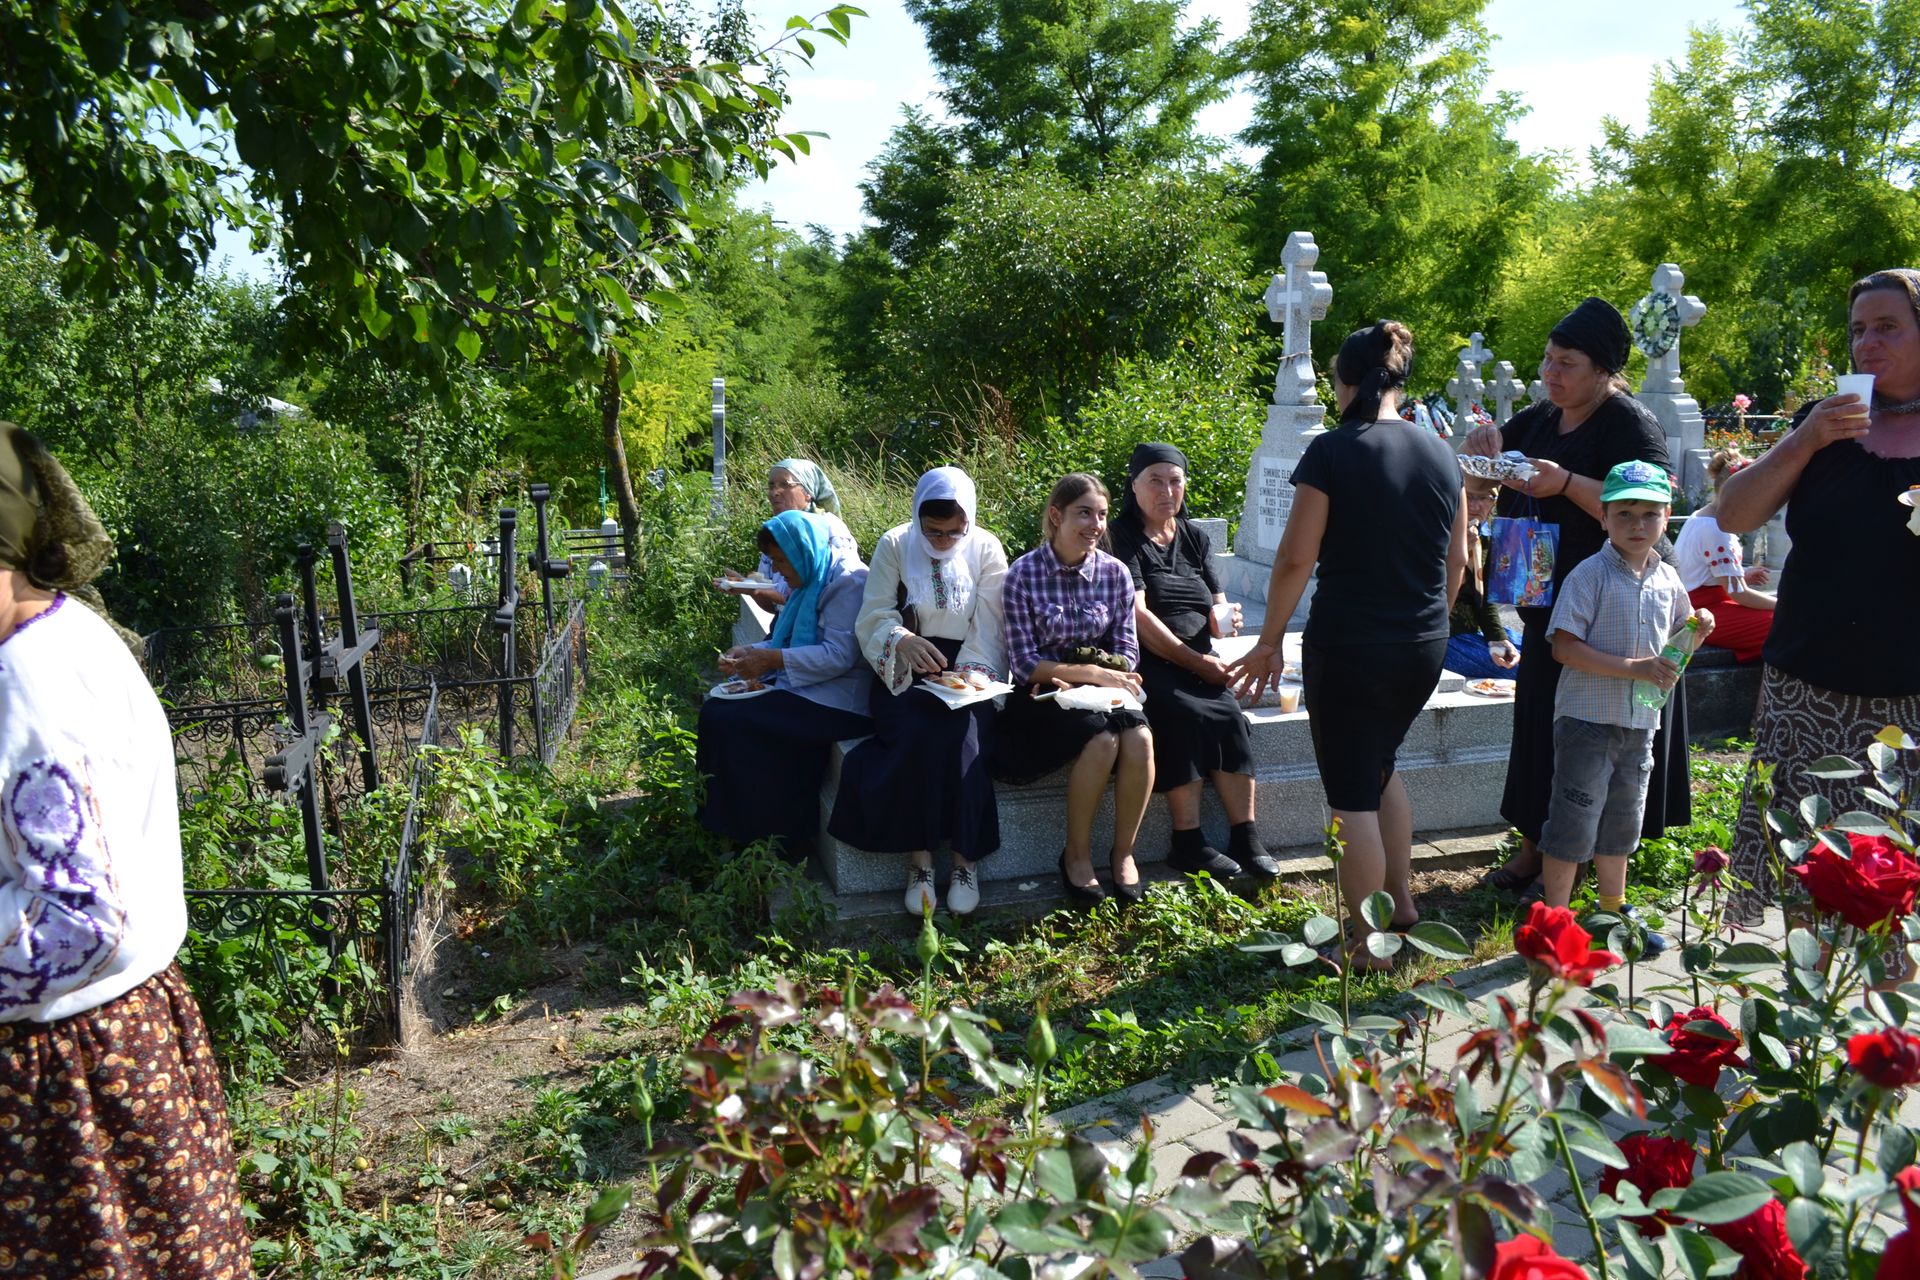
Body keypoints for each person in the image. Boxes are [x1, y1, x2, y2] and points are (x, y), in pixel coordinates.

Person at [0, 423, 252, 1277]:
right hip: (116, 1046)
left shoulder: (25, 685)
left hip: (61, 1085)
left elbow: (77, 922)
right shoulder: (68, 635)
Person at [1230, 322, 1468, 968]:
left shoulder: (1334, 452)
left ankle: (1371, 946)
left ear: (1347, 382)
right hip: (1422, 642)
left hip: (1350, 645)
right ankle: (1401, 902)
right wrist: (1429, 625)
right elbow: (1459, 562)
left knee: (1351, 796)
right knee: (1380, 767)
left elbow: (1293, 560)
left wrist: (1269, 641)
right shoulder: (1442, 453)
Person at [1463, 297, 1689, 899]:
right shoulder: (1539, 419)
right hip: (1545, 605)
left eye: (1566, 363)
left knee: (1597, 739)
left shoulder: (1629, 424)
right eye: (1547, 359)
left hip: (1616, 616)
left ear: (1603, 371)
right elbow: (1484, 477)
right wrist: (1480, 452)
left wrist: (1565, 482)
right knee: (1542, 725)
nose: (1551, 373)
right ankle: (1537, 846)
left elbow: (1655, 504)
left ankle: (1587, 856)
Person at [1716, 268, 1920, 923]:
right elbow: (1733, 514)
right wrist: (1807, 438)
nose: (1868, 343)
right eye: (1859, 329)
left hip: (1907, 706)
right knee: (1807, 870)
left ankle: (1883, 1022)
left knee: (1891, 885)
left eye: (1888, 326)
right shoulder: (1822, 424)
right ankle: (1818, 1010)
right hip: (1807, 694)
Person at [1535, 461, 1715, 951]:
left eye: (1649, 515)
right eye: (1625, 514)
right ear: (1603, 517)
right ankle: (1555, 920)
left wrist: (1695, 632)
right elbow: (1564, 648)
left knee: (1622, 818)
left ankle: (1612, 912)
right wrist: (1637, 667)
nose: (1637, 525)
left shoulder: (1669, 579)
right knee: (1574, 818)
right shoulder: (1589, 575)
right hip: (1587, 720)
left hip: (1640, 720)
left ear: (1667, 517)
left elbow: (1674, 650)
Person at [828, 467, 1009, 916]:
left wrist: (971, 674)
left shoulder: (986, 547)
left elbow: (991, 623)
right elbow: (874, 613)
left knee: (966, 738)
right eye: (934, 531)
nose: (945, 540)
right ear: (918, 519)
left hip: (969, 667)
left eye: (954, 531)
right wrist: (902, 641)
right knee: (914, 733)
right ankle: (921, 860)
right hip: (904, 663)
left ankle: (965, 861)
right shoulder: (895, 543)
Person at [1108, 442, 1279, 881]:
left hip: (1201, 656)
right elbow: (1138, 615)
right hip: (1150, 660)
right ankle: (1187, 841)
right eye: (1155, 481)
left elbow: (1218, 606)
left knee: (1229, 715)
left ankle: (1246, 834)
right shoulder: (1122, 536)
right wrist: (1193, 661)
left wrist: (1225, 623)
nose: (1167, 491)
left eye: (1175, 481)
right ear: (1134, 485)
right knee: (1179, 711)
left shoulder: (1195, 537)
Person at [994, 474, 1154, 907]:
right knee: (1101, 740)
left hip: (1105, 688)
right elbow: (1024, 663)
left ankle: (1123, 853)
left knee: (1139, 737)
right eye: (1084, 512)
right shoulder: (1021, 575)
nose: (1095, 524)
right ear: (1055, 516)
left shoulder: (1115, 573)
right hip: (1043, 694)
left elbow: (1126, 650)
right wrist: (1092, 674)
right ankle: (1076, 856)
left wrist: (1105, 676)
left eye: (1101, 514)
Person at [697, 509, 872, 859]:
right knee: (716, 710)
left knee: (737, 721)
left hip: (841, 699)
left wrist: (771, 660)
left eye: (780, 561)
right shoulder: (810, 574)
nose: (776, 571)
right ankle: (721, 826)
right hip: (809, 685)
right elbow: (788, 638)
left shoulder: (848, 580)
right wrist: (750, 651)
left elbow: (839, 655)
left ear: (800, 551)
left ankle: (764, 838)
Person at [717, 458, 860, 613]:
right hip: (786, 624)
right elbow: (774, 608)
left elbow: (828, 598)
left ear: (807, 493)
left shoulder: (831, 530)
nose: (774, 493)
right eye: (771, 486)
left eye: (785, 485)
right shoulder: (778, 532)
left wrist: (757, 589)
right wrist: (748, 587)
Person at [1671, 449, 1775, 662]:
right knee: (1782, 623)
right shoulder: (1718, 529)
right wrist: (1785, 605)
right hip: (1701, 611)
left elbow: (1704, 574)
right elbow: (1739, 594)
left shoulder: (1701, 516)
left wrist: (1742, 574)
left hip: (1697, 603)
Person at [1445, 475, 1523, 680]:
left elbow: (1484, 595)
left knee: (1538, 654)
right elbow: (1436, 595)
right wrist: (1459, 554)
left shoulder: (1484, 535)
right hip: (1445, 636)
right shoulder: (1440, 532)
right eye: (1469, 496)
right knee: (1525, 671)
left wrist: (1498, 638)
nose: (1475, 505)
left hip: (1473, 631)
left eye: (1486, 497)